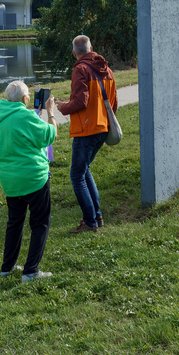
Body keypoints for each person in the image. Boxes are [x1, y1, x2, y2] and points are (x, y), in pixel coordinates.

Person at [0, 80, 58, 282]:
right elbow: (50, 135)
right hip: (33, 178)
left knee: (15, 222)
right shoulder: (27, 116)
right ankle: (31, 271)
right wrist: (51, 113)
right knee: (40, 223)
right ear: (24, 98)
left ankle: (7, 267)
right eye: (28, 95)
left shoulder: (1, 117)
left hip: (10, 180)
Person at [56, 35, 118, 234]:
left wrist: (61, 107)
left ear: (75, 53)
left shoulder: (80, 69)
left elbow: (81, 102)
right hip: (102, 128)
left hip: (86, 131)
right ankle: (96, 216)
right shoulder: (106, 69)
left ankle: (90, 222)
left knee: (76, 175)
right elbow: (113, 103)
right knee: (84, 170)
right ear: (91, 48)